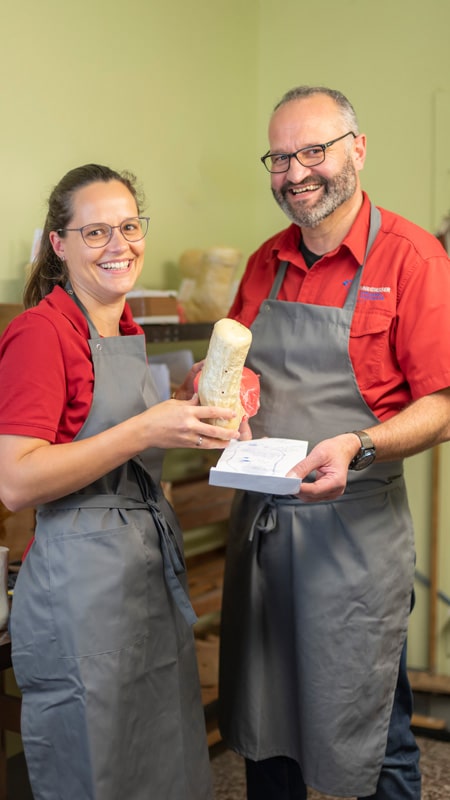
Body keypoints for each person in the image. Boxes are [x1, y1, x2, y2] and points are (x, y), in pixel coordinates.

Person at [218, 86, 450, 800]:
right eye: (280, 157)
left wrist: (357, 444)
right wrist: (227, 407)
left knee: (372, 727)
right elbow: (236, 377)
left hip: (354, 540)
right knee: (265, 724)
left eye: (313, 150)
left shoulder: (412, 259)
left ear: (358, 148)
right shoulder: (265, 262)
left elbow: (442, 404)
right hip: (262, 528)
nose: (296, 172)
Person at [0, 163, 245, 800]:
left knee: (160, 756)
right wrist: (145, 430)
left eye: (130, 227)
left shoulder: (130, 330)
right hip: (80, 590)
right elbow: (16, 482)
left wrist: (207, 415)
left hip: (145, 575)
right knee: (97, 768)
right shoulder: (38, 333)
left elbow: (139, 455)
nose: (120, 246)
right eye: (96, 232)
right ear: (59, 244)